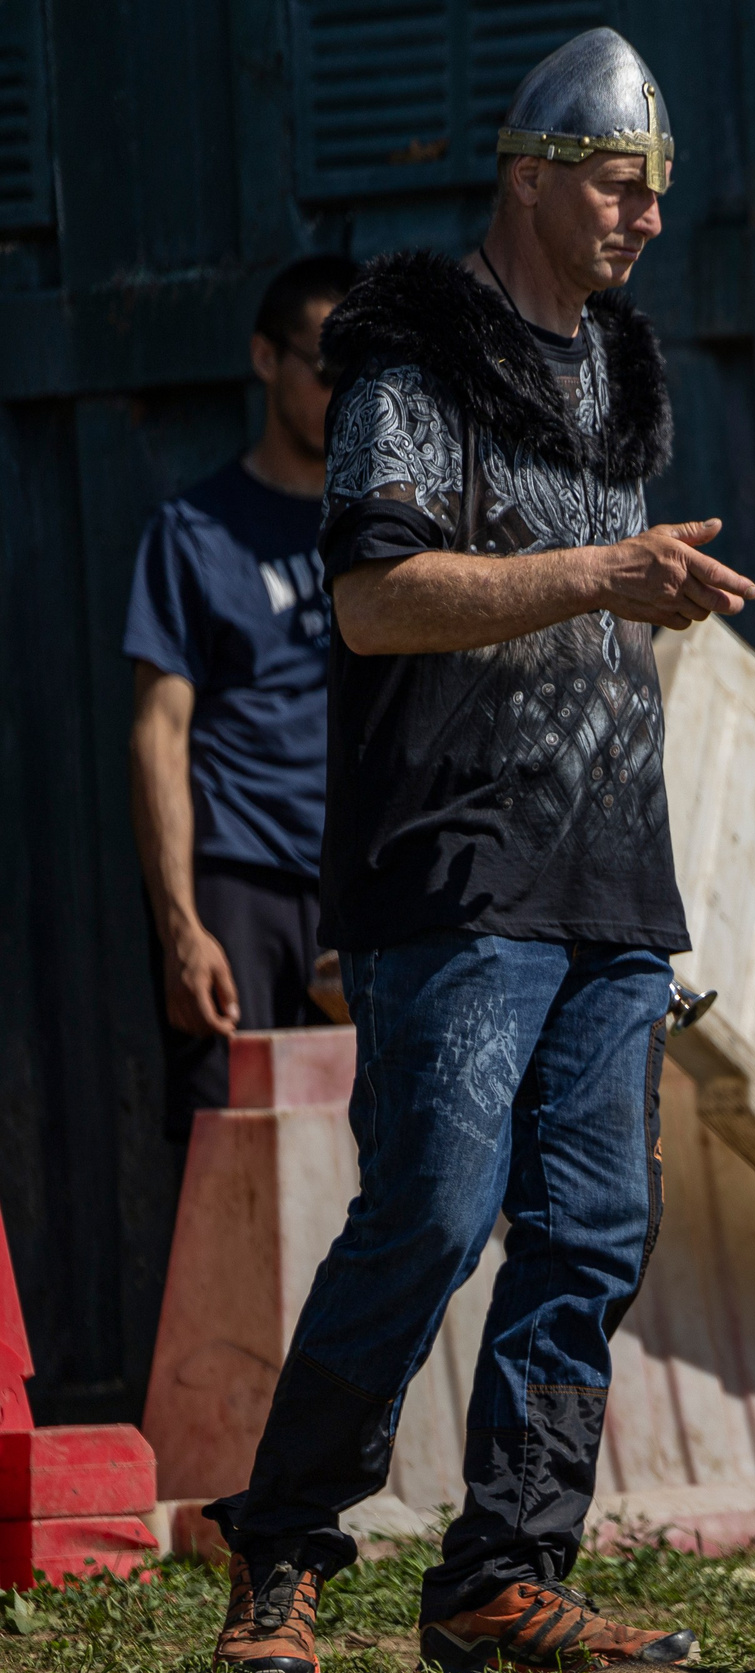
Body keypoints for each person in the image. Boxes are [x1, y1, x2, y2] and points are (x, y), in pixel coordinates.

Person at [204, 28, 755, 1673]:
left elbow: (589, 605)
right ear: (527, 173)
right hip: (451, 868)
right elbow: (377, 599)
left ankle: (500, 1575)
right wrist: (605, 573)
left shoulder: (613, 374)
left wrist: (628, 593)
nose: (644, 216)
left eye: (657, 191)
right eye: (616, 181)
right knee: (437, 1211)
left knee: (593, 1229)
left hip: (609, 873)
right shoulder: (413, 363)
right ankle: (285, 1543)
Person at [126, 254, 361, 1146]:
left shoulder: (386, 534)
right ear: (267, 358)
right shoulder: (193, 535)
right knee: (229, 1156)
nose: (346, 394)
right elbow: (159, 734)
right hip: (241, 886)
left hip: (358, 889)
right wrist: (182, 927)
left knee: (373, 1172)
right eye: (328, 368)